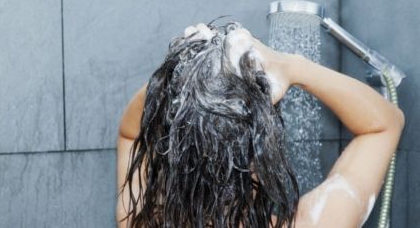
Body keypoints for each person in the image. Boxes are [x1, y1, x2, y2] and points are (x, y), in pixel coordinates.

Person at [116, 23, 405, 228]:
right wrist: (292, 67)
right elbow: (384, 124)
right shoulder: (317, 222)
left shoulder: (140, 218)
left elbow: (130, 133)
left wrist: (180, 75)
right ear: (261, 152)